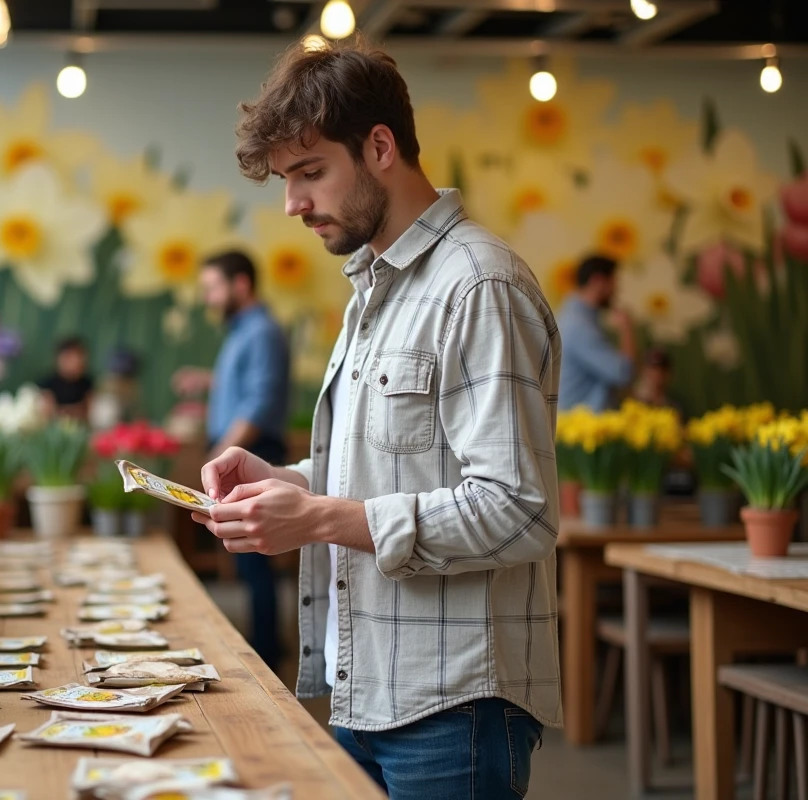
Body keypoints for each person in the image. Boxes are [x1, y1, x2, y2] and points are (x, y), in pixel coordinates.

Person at [192, 39, 560, 798]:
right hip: (363, 689)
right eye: (287, 181)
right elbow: (392, 467)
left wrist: (319, 517)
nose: (293, 205)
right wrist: (287, 481)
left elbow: (519, 510)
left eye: (310, 172)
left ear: (381, 147)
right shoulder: (373, 290)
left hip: (452, 705)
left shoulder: (478, 285)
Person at [172, 250, 290, 671]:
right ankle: (264, 645)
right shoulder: (245, 331)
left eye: (213, 287)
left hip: (252, 455)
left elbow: (259, 404)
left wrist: (220, 453)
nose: (208, 298)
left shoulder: (261, 332)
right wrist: (208, 380)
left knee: (254, 560)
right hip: (241, 453)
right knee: (246, 558)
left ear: (241, 284)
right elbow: (246, 383)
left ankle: (266, 653)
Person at [557, 255, 635, 411]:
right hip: (581, 423)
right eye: (613, 283)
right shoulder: (579, 326)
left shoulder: (575, 318)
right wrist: (626, 329)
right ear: (597, 281)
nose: (616, 291)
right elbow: (623, 374)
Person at [38, 336, 95, 422]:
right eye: (69, 357)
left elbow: (88, 411)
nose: (75, 362)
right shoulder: (48, 383)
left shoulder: (87, 383)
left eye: (78, 357)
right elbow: (47, 411)